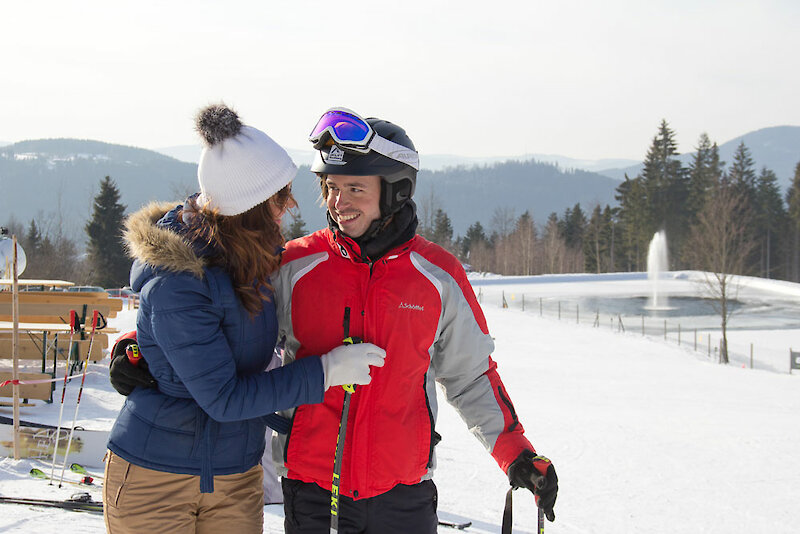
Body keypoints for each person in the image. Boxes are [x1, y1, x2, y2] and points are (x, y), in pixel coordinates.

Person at [268, 107, 558, 533]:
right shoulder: (295, 265)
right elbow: (228, 332)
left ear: (395, 192)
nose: (337, 202)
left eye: (354, 188)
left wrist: (515, 453)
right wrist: (142, 349)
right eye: (331, 187)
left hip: (403, 496)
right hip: (314, 493)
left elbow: (471, 375)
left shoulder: (436, 276)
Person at [103, 104, 385, 534]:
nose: (290, 206)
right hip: (156, 478)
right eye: (279, 196)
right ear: (248, 207)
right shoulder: (179, 280)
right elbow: (224, 398)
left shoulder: (252, 260)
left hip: (235, 474)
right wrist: (324, 372)